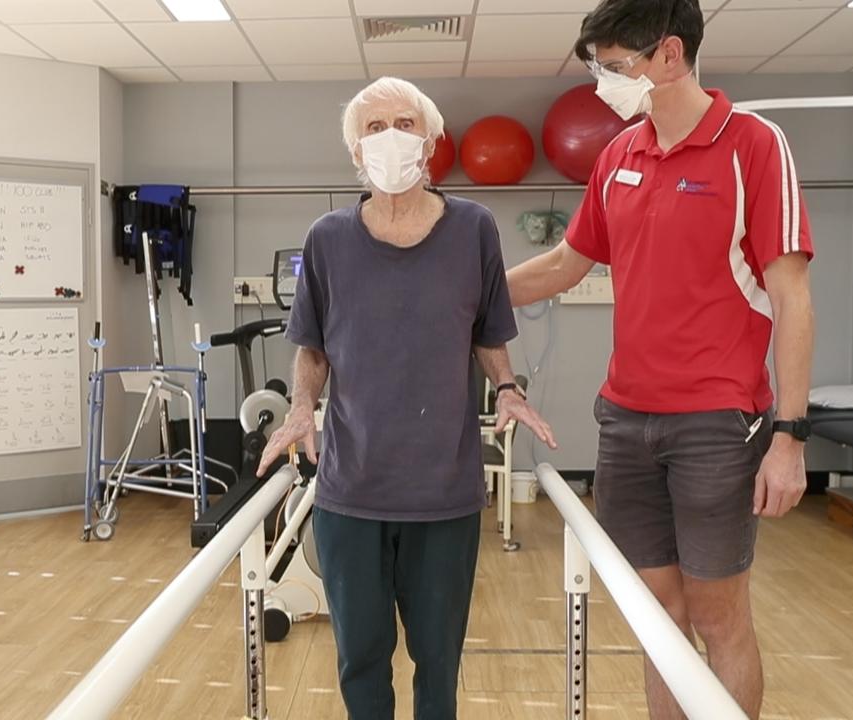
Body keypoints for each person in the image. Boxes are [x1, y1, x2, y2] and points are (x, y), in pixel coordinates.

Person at [505, 1, 815, 718]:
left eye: (615, 68)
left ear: (669, 55)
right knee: (657, 623)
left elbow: (792, 297)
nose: (603, 84)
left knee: (717, 618)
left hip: (717, 423)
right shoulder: (620, 154)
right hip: (626, 423)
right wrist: (459, 294)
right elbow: (562, 264)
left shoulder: (753, 146)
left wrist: (791, 437)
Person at [256, 76, 557, 720]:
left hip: (442, 495)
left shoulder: (473, 229)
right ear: (355, 155)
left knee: (438, 660)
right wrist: (302, 406)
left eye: (404, 123)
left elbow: (488, 330)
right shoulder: (328, 240)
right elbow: (312, 348)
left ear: (430, 141)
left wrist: (506, 388)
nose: (389, 137)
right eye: (373, 128)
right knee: (360, 659)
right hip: (352, 492)